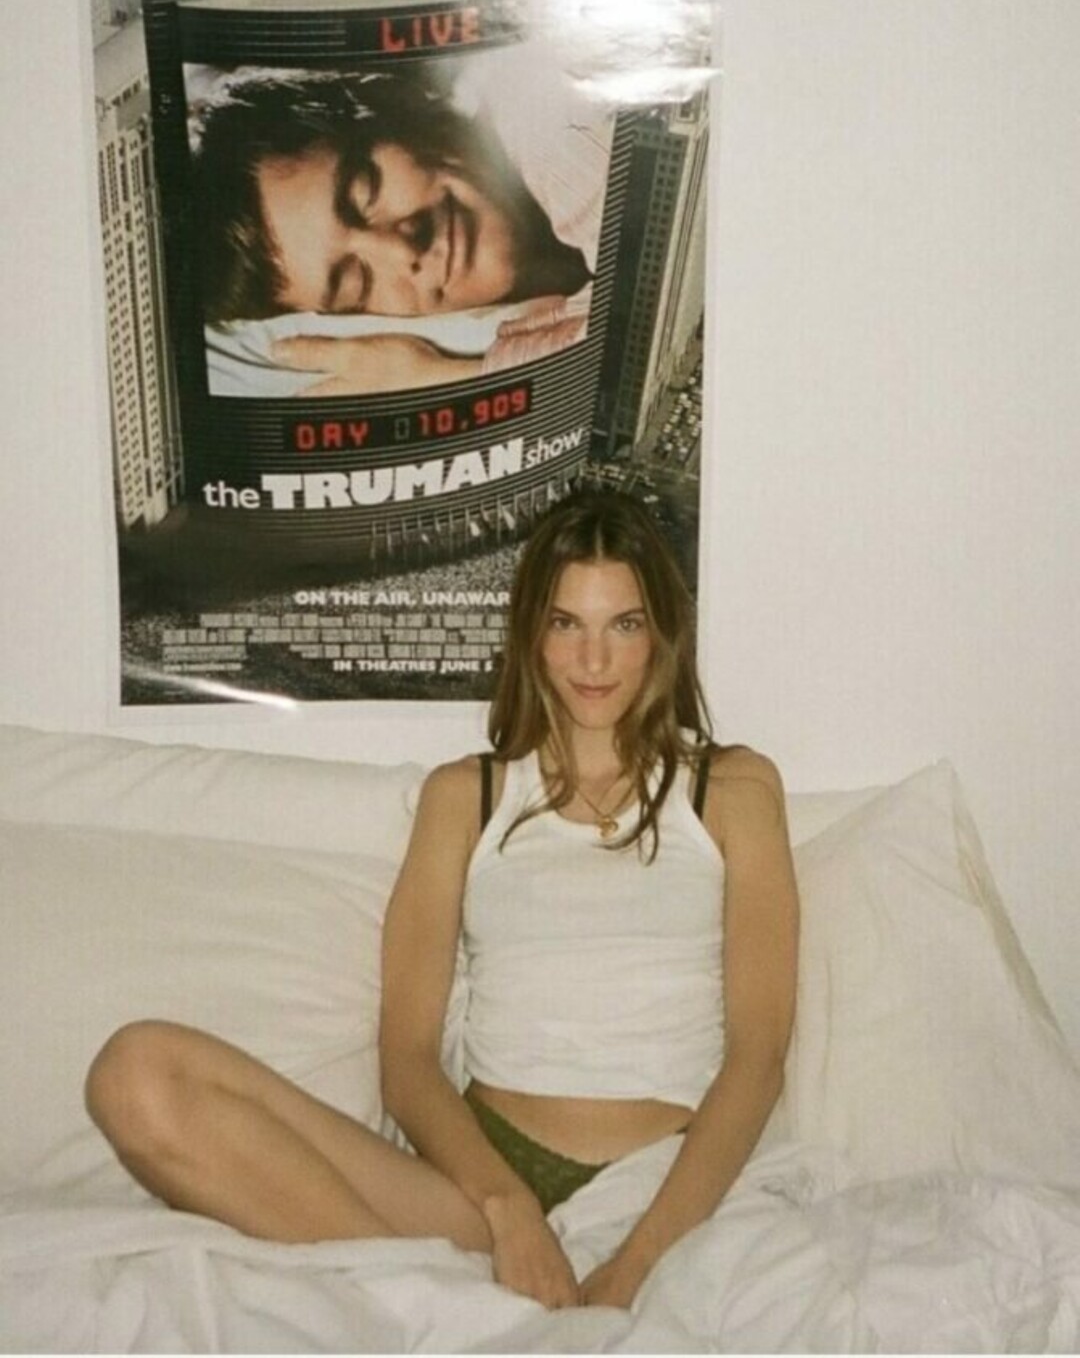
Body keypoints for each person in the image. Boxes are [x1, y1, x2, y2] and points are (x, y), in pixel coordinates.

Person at [84, 490, 798, 1310]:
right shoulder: (465, 797)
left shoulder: (734, 790)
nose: (594, 660)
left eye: (624, 625)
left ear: (661, 632)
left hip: (668, 1179)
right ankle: (441, 1301)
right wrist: (509, 1210)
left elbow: (758, 1055)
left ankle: (433, 1305)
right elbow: (409, 1062)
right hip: (481, 1187)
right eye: (566, 623)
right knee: (136, 1074)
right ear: (530, 632)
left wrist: (636, 1264)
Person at [192, 67, 595, 395]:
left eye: (365, 192)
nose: (400, 249)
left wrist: (445, 379)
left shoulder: (548, 122)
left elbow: (612, 365)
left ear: (393, 105)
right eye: (357, 283)